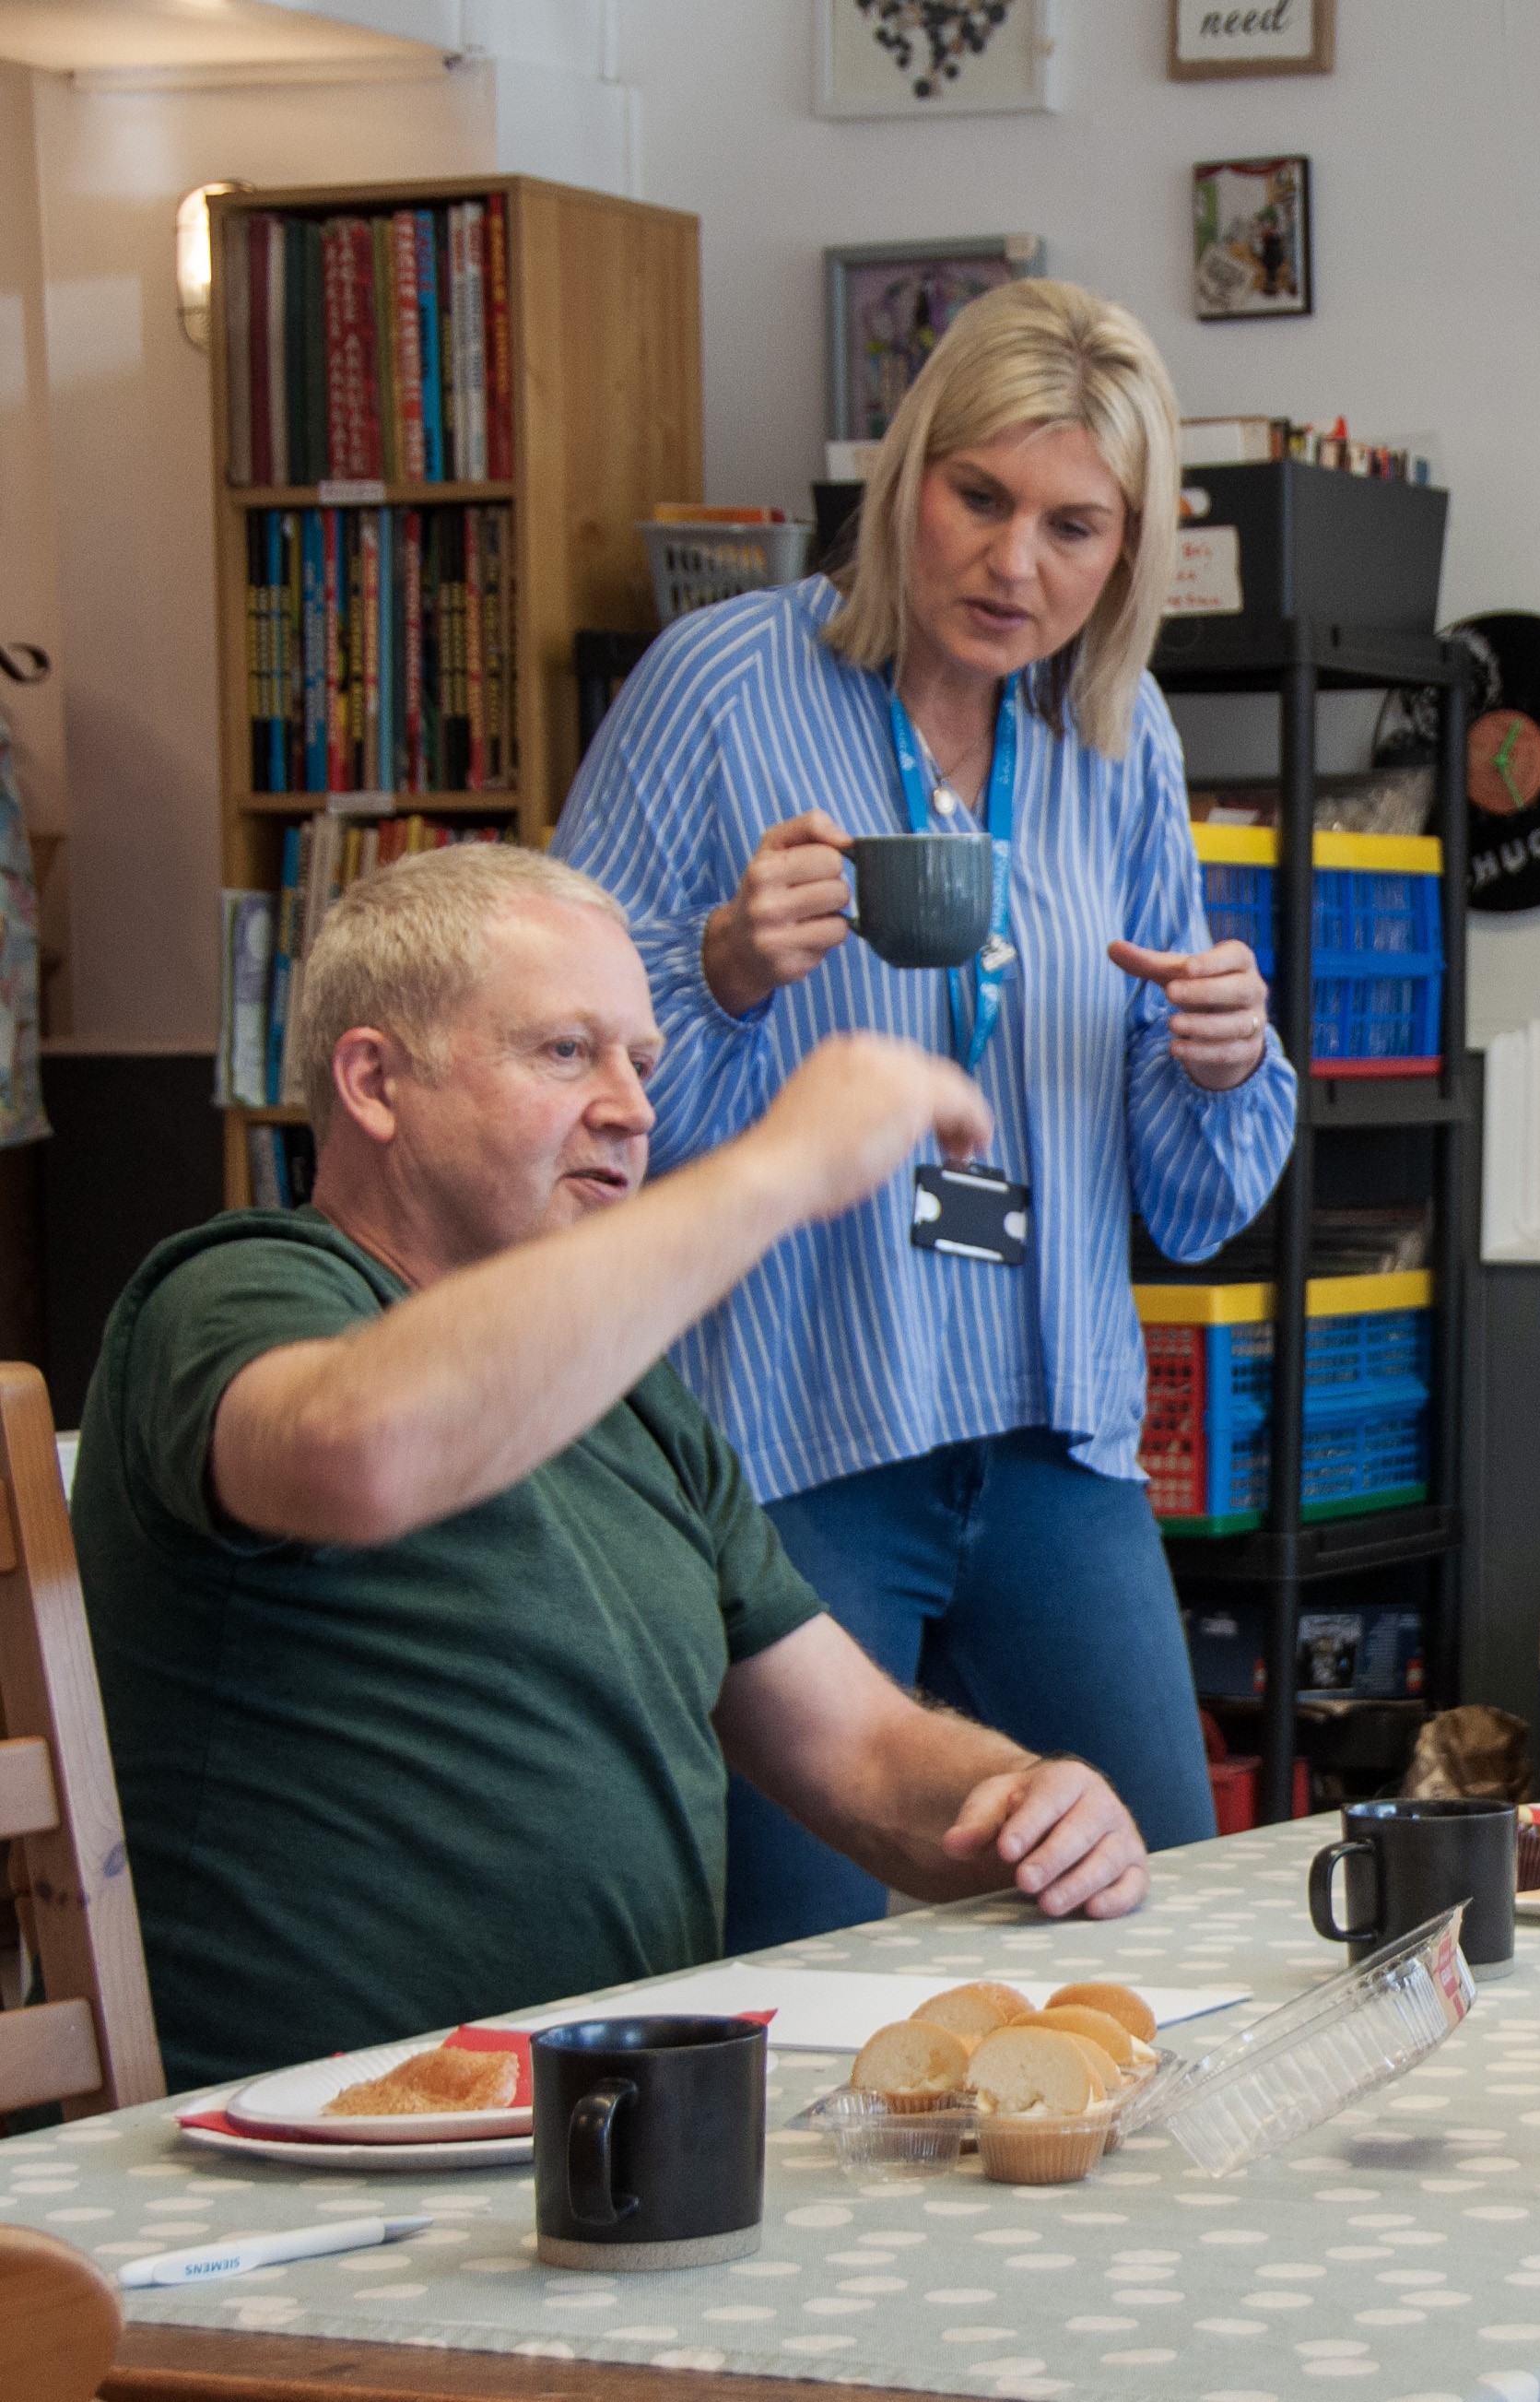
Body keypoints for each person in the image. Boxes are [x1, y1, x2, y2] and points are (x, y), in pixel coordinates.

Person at [76, 849, 1151, 2090]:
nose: (634, 1109)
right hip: (307, 2153)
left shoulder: (628, 1385)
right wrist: (779, 1165)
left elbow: (859, 1754)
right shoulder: (241, 1286)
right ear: (374, 1082)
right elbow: (360, 1449)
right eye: (563, 1052)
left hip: (614, 2131)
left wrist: (1025, 1799)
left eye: (642, 1061)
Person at [557, 279, 1293, 1949]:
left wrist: (1226, 1056)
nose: (1012, 562)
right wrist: (725, 970)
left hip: (1053, 1439)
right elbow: (557, 1084)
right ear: (906, 481)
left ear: (1125, 552)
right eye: (979, 497)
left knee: (1157, 1926)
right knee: (797, 1982)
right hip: (789, 1441)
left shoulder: (1120, 739)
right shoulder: (722, 689)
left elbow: (1187, 1201)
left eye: (1071, 525)